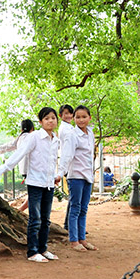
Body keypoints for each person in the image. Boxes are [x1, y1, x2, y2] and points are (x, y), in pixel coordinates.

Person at [0, 107, 60, 263]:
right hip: (35, 182)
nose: (50, 121)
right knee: (35, 218)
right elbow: (18, 154)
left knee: (46, 219)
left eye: (53, 118)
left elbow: (53, 161)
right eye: (46, 118)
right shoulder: (33, 138)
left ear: (56, 121)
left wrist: (56, 175)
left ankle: (43, 248)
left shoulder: (56, 140)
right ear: (40, 122)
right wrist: (0, 170)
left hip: (49, 184)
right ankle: (32, 252)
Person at [57, 105, 97, 252]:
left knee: (84, 209)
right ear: (73, 119)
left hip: (88, 176)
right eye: (78, 117)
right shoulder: (72, 135)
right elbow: (66, 156)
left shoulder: (90, 133)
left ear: (89, 118)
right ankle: (74, 241)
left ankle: (83, 239)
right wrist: (60, 173)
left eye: (84, 117)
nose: (81, 120)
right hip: (76, 176)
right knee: (75, 208)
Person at [58, 104, 75, 229]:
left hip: (71, 166)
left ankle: (70, 224)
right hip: (69, 166)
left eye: (70, 113)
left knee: (74, 198)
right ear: (61, 115)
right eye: (66, 114)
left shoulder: (69, 127)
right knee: (74, 198)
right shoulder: (66, 129)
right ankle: (68, 225)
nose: (68, 116)